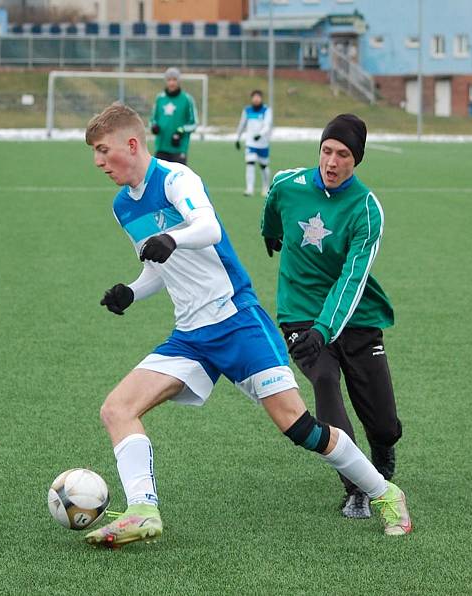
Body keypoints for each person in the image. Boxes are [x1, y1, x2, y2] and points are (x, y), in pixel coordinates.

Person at [82, 103, 412, 547]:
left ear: (132, 144)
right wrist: (133, 291)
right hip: (191, 336)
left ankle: (386, 493)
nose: (99, 162)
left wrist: (171, 238)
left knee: (300, 428)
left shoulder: (177, 179)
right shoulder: (124, 206)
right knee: (116, 409)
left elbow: (208, 228)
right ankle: (143, 509)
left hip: (237, 320)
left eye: (103, 151)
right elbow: (161, 265)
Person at [261, 114, 403, 520]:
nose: (332, 161)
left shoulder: (367, 209)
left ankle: (382, 450)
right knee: (323, 379)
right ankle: (357, 485)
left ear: (356, 159)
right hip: (300, 312)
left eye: (343, 154)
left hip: (354, 315)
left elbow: (352, 280)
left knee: (385, 422)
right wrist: (269, 231)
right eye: (326, 150)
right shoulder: (288, 184)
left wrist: (326, 328)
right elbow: (272, 209)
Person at [149, 67, 197, 164]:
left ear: (179, 81)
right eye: (169, 80)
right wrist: (154, 126)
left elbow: (194, 123)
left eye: (174, 80)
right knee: (159, 178)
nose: (172, 83)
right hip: (161, 147)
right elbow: (153, 119)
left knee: (179, 178)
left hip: (179, 148)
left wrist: (181, 131)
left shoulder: (187, 99)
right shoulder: (160, 98)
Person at [235, 89, 273, 197]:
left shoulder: (266, 110)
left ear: (261, 98)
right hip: (250, 143)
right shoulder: (247, 110)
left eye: (258, 97)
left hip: (263, 143)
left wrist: (260, 134)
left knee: (263, 166)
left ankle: (265, 187)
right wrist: (237, 138)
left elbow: (267, 125)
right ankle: (249, 189)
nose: (256, 99)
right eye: (254, 97)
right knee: (250, 163)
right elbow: (242, 124)